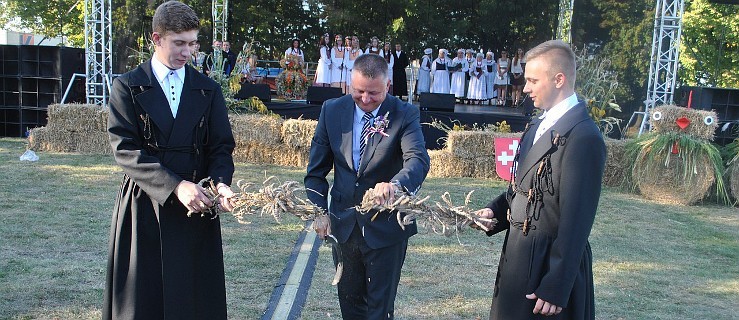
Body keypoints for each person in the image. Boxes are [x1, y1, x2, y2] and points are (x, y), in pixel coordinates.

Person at [104, 1, 236, 319]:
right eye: (179, 43)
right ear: (157, 38)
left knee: (193, 299)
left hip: (199, 206)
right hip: (146, 203)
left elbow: (221, 147)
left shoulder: (208, 90)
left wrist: (221, 184)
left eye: (192, 43)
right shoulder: (127, 87)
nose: (187, 52)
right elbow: (126, 149)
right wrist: (177, 187)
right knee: (144, 298)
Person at [474, 39, 606, 320]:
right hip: (519, 257)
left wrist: (557, 285)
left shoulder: (583, 137)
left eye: (533, 80)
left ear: (559, 79)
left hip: (547, 268)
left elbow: (577, 220)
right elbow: (524, 187)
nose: (526, 88)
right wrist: (495, 212)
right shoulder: (538, 124)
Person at [306, 53, 430, 319]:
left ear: (388, 86)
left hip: (387, 227)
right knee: (350, 306)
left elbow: (417, 161)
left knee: (379, 310)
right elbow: (315, 173)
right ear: (350, 84)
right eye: (358, 91)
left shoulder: (405, 114)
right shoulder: (331, 110)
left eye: (373, 93)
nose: (365, 99)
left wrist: (395, 186)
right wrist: (319, 211)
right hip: (344, 225)